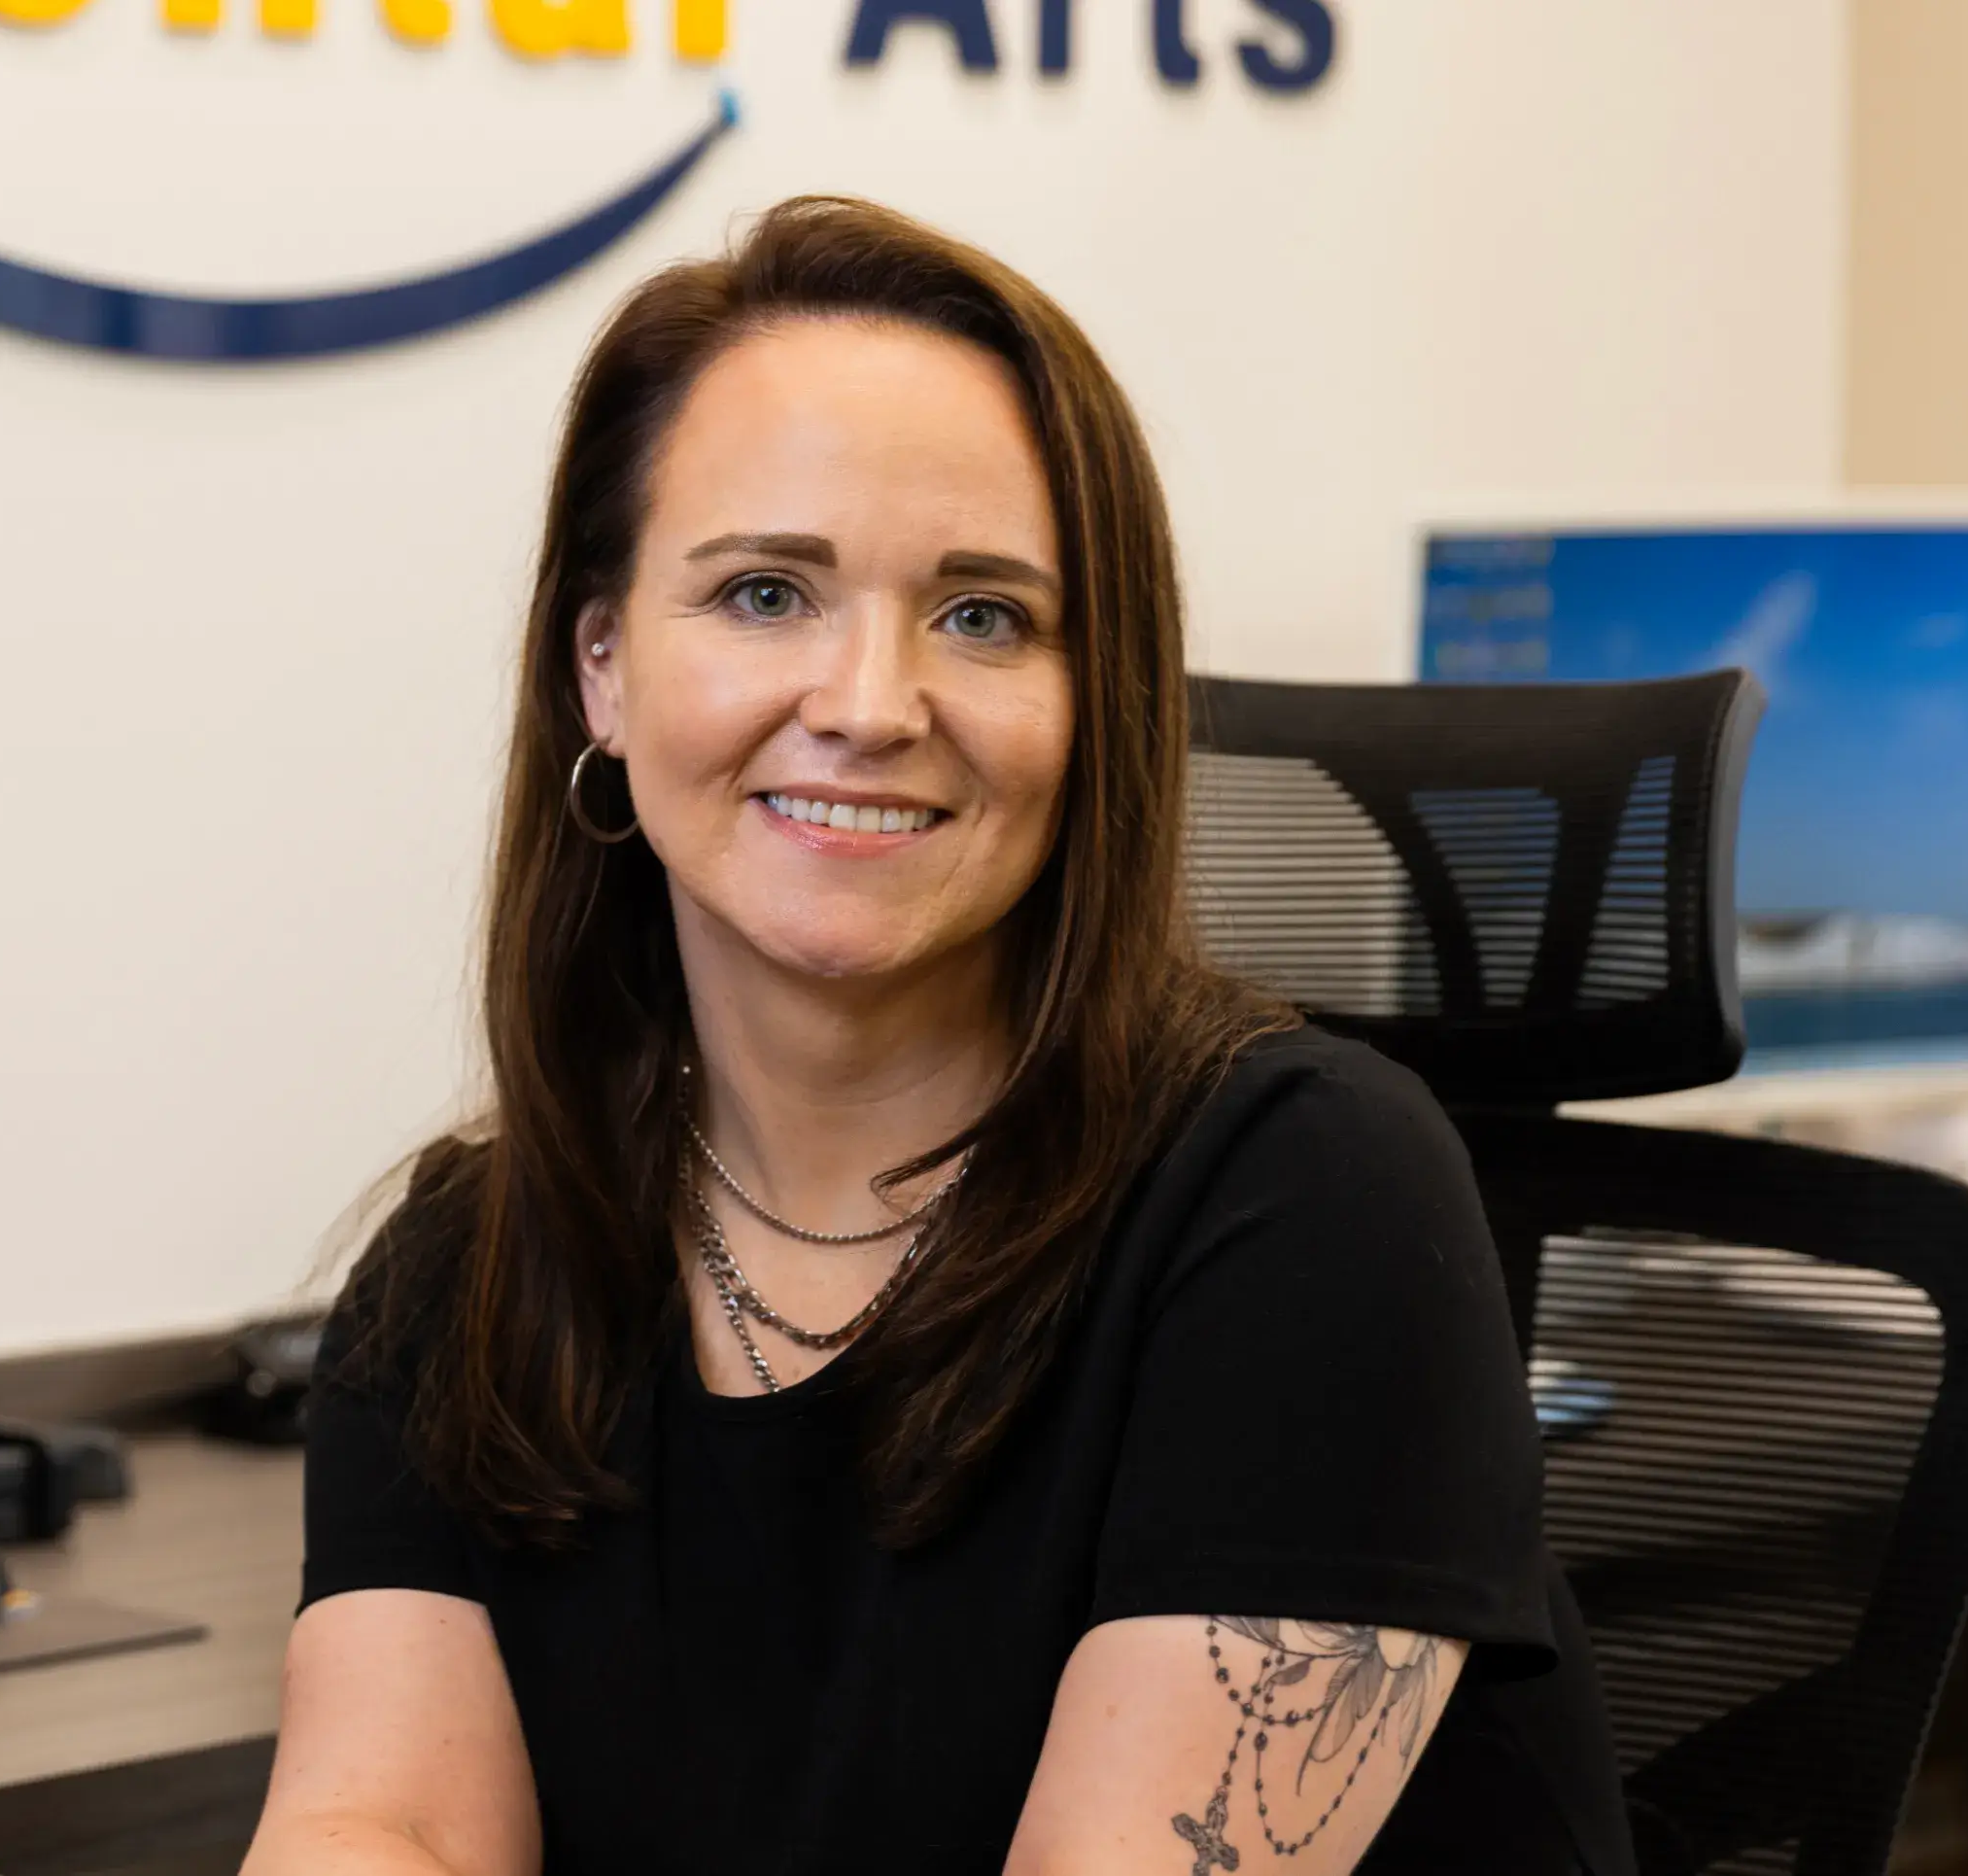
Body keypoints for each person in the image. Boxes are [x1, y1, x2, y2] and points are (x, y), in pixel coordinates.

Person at [245, 198, 1632, 1876]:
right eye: (765, 592)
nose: (869, 702)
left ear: (1092, 696)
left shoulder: (1307, 1197)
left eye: (983, 615)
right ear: (601, 668)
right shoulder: (463, 1272)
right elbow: (378, 1825)